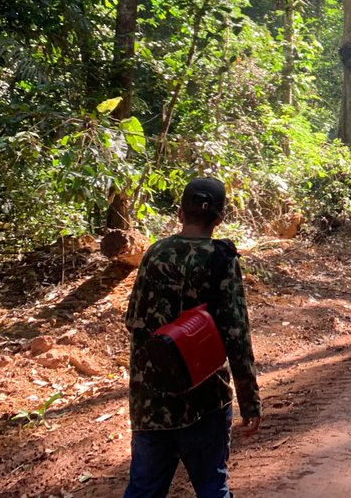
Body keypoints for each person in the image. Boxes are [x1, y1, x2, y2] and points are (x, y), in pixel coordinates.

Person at [124, 176, 262, 498]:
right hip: (205, 400)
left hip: (150, 401)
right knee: (213, 487)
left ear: (180, 212)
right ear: (220, 218)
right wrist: (249, 402)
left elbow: (133, 321)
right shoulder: (221, 259)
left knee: (143, 490)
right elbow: (236, 334)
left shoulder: (155, 253)